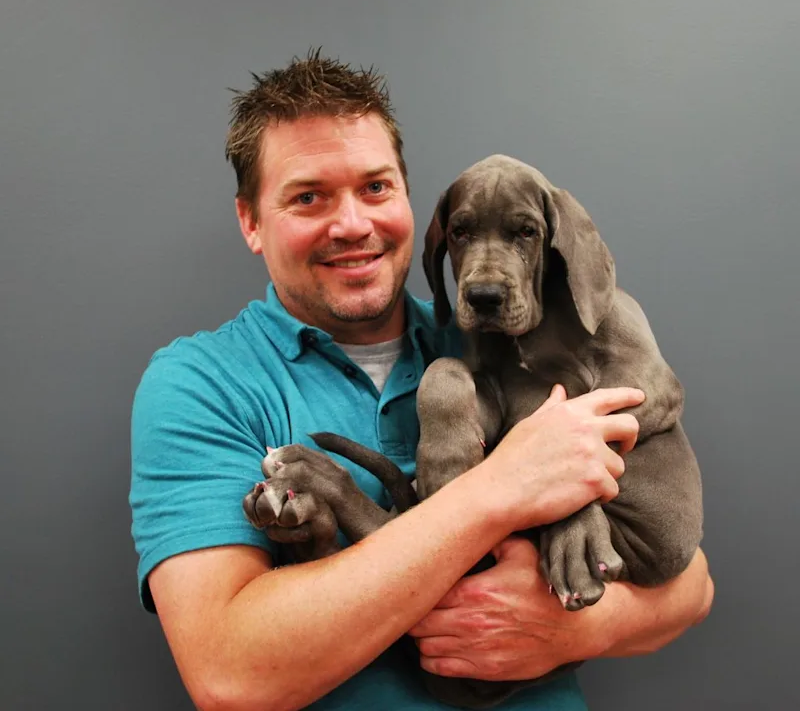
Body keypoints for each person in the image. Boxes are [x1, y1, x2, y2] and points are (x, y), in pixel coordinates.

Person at [130, 51, 713, 711]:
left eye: (375, 187)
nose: (353, 224)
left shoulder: (503, 338)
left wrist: (578, 625)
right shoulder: (202, 383)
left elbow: (692, 585)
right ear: (250, 221)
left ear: (410, 200)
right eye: (308, 196)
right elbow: (230, 676)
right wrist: (502, 486)